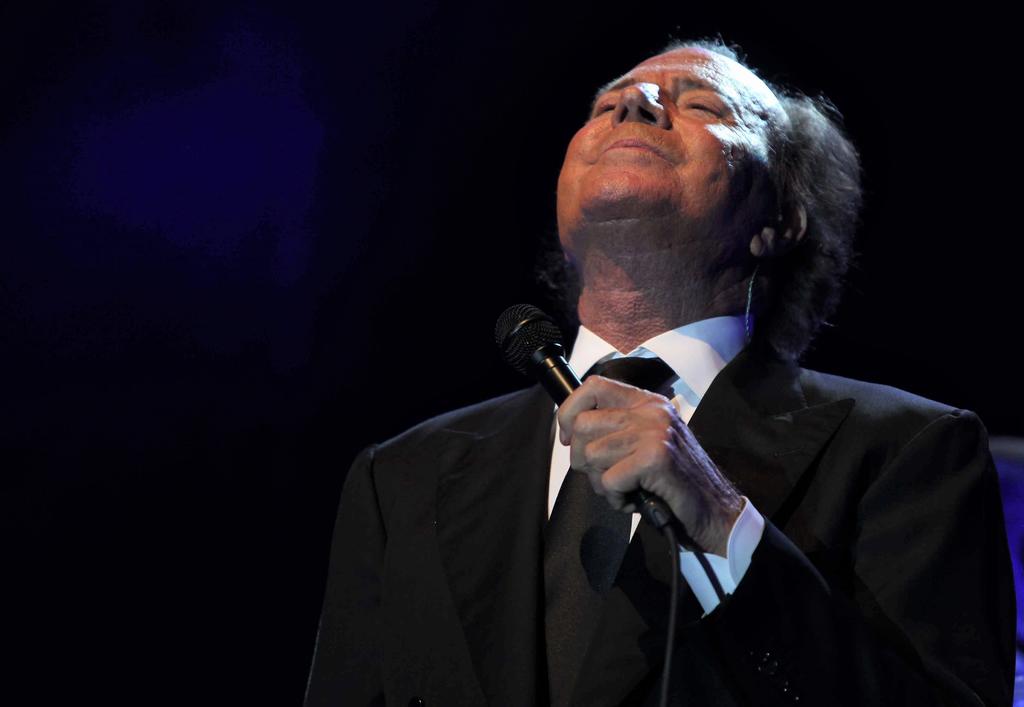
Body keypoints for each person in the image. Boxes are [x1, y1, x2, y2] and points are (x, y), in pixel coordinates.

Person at [304, 39, 1016, 706]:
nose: (633, 101)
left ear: (782, 219)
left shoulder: (910, 450)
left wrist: (720, 517)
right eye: (604, 104)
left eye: (701, 103)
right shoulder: (403, 476)